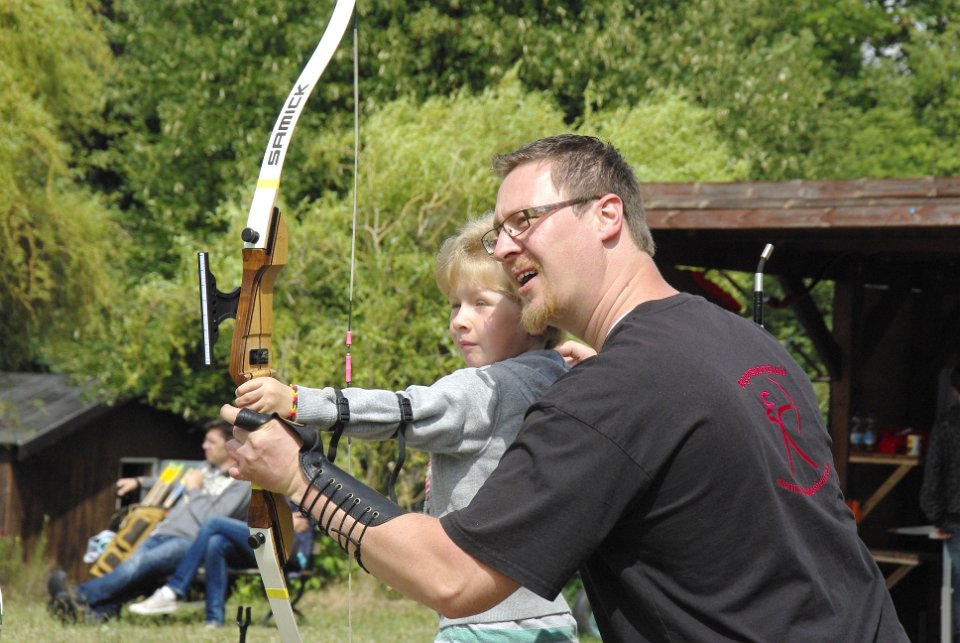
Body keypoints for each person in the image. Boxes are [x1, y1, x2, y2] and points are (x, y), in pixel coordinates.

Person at [222, 134, 907, 641]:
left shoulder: (619, 387)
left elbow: (452, 577)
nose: (505, 247)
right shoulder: (750, 345)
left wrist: (298, 475)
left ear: (607, 215)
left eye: (525, 221)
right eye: (499, 232)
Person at [229, 214, 581, 641]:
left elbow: (406, 410)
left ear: (534, 314)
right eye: (455, 305)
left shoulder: (487, 387)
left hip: (488, 626)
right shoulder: (561, 376)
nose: (460, 320)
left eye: (481, 304)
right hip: (548, 616)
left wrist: (300, 402)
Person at [47, 421, 251, 624]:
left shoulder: (240, 481)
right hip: (163, 532)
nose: (204, 446)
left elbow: (214, 518)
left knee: (138, 565)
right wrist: (138, 482)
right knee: (134, 570)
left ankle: (80, 594)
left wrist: (195, 489)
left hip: (191, 540)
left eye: (211, 442)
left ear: (229, 446)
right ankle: (96, 613)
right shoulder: (204, 469)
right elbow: (171, 483)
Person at [128, 507, 313, 628]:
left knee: (213, 522)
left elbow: (303, 521)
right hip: (258, 546)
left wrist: (283, 520)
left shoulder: (298, 485)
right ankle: (214, 619)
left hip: (287, 551)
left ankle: (173, 590)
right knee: (215, 542)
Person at [920, 365, 960, 639]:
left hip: (956, 518)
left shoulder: (947, 424)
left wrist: (936, 516)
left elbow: (933, 473)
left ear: (954, 390)